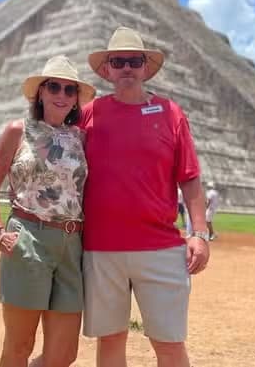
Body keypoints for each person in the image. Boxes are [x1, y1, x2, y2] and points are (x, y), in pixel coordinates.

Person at [81, 26, 210, 367]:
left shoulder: (171, 113)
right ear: (107, 69)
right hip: (101, 248)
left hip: (160, 247)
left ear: (144, 67)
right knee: (110, 341)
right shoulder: (88, 114)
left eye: (134, 61)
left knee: (168, 343)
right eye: (118, 61)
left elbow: (191, 179)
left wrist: (200, 233)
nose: (126, 67)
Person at [0, 55, 95, 367]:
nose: (61, 94)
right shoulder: (18, 131)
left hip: (72, 245)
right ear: (40, 92)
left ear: (75, 101)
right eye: (54, 86)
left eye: (70, 90)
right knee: (19, 346)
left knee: (64, 354)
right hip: (28, 237)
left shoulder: (80, 137)